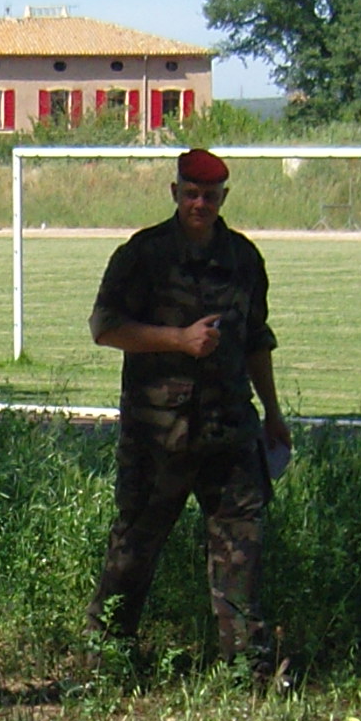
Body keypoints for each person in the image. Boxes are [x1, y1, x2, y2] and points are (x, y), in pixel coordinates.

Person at [86, 145, 295, 676]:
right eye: (191, 194)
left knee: (242, 548)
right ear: (174, 192)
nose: (200, 204)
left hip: (230, 429)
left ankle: (247, 668)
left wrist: (273, 412)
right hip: (160, 431)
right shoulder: (144, 255)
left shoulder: (243, 259)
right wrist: (177, 339)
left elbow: (256, 339)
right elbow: (105, 327)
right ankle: (106, 657)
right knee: (135, 545)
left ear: (224, 197)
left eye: (211, 196)